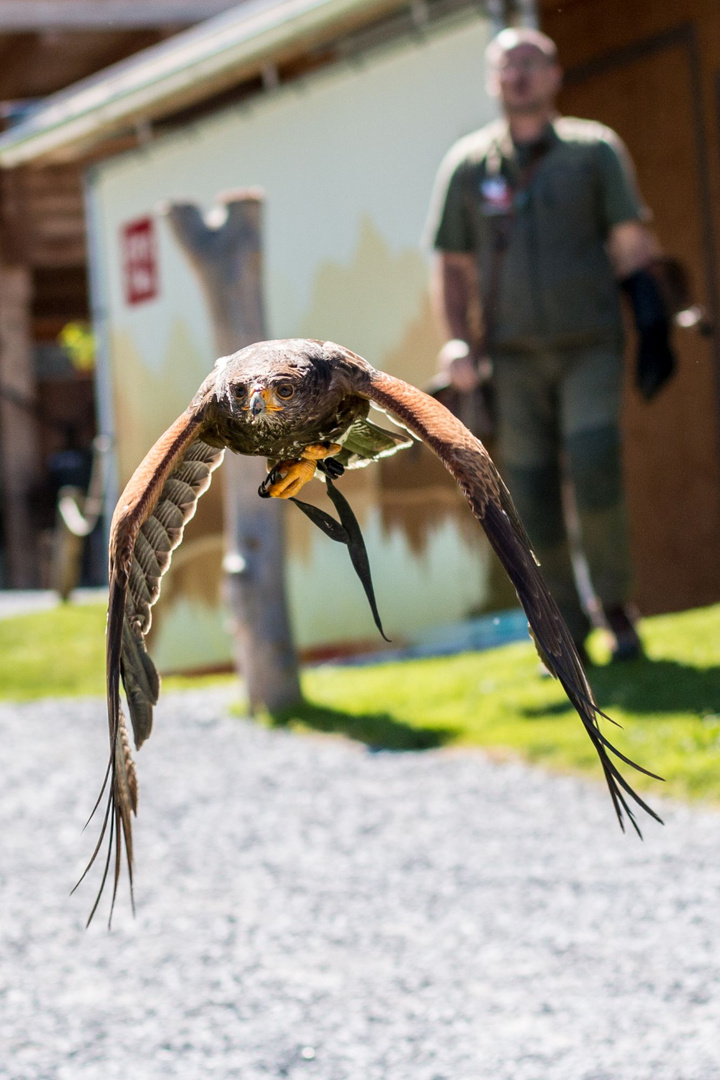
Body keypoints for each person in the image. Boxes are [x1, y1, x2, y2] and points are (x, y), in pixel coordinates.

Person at [425, 26, 677, 663]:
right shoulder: (467, 166)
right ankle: (563, 627)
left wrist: (652, 324)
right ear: (492, 81)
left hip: (589, 343)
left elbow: (628, 243)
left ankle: (617, 610)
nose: (518, 76)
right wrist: (456, 342)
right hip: (509, 360)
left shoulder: (593, 152)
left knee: (595, 465)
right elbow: (451, 266)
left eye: (531, 63)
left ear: (555, 75)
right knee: (529, 495)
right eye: (506, 66)